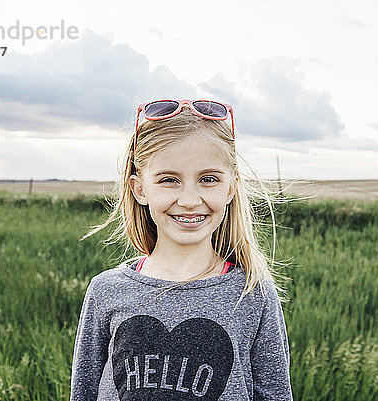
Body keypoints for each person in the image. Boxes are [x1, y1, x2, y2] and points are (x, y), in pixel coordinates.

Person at [70, 99, 293, 400]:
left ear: (231, 188)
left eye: (208, 179)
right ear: (139, 189)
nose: (189, 199)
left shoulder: (254, 294)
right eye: (169, 180)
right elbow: (84, 391)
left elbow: (275, 394)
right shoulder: (106, 290)